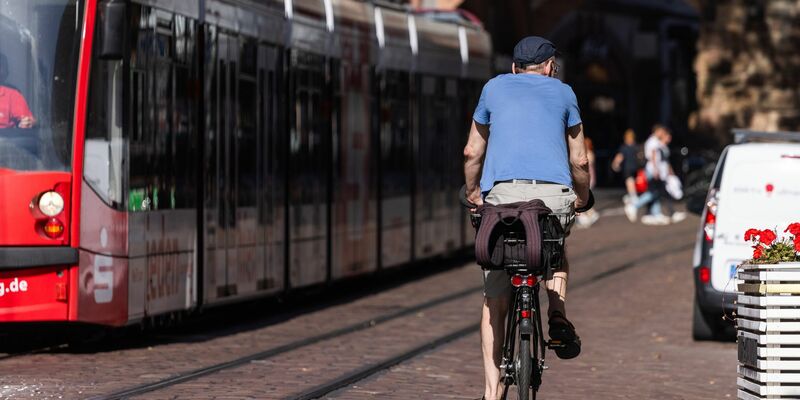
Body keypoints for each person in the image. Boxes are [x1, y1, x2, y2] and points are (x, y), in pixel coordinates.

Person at [463, 36, 591, 400]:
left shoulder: (493, 88)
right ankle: (557, 314)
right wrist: (581, 199)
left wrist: (474, 194)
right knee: (555, 244)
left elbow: (472, 150)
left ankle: (491, 392)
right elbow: (580, 160)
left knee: (494, 297)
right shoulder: (564, 93)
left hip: (501, 197)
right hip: (551, 197)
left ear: (514, 67)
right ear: (551, 66)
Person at [0, 53, 35, 129]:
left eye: (2, 68)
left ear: (6, 73)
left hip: (5, 140)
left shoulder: (13, 95)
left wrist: (26, 123)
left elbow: (28, 121)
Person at [611, 129, 640, 204]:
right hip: (635, 167)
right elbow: (639, 156)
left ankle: (633, 196)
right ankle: (632, 196)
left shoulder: (624, 147)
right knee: (633, 181)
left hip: (628, 167)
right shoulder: (636, 146)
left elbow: (619, 157)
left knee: (629, 182)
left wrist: (615, 164)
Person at [575, 137, 599, 228]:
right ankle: (588, 215)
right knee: (584, 197)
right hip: (588, 177)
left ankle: (590, 214)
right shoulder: (589, 153)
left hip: (588, 178)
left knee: (583, 197)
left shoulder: (588, 154)